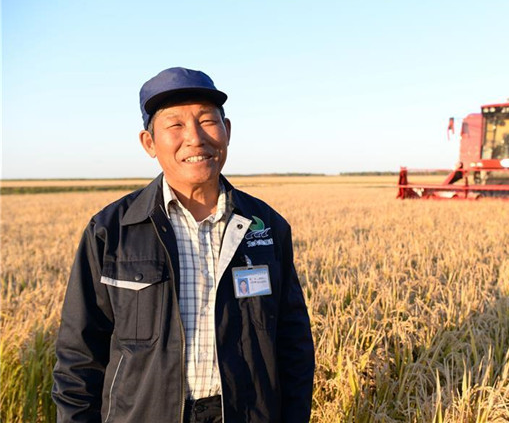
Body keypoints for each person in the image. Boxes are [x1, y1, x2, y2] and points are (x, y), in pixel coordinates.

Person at [52, 67, 315, 423]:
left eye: (207, 121)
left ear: (227, 131)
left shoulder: (265, 227)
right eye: (175, 125)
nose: (195, 138)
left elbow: (293, 346)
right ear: (149, 143)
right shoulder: (111, 232)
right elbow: (79, 357)